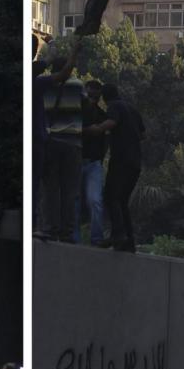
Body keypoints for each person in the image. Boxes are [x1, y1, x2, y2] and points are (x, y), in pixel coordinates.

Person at [82, 83, 146, 253]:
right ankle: (128, 241)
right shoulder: (132, 109)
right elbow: (143, 134)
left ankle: (117, 234)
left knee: (111, 196)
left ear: (104, 97)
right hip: (135, 161)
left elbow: (110, 123)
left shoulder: (114, 106)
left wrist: (91, 129)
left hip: (121, 160)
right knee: (122, 201)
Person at [33, 38, 82, 240]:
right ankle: (68, 231)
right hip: (73, 143)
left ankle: (49, 227)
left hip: (51, 141)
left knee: (50, 188)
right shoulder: (78, 86)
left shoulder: (44, 86)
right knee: (70, 190)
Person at [80, 79, 108, 246]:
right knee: (74, 200)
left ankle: (96, 238)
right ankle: (73, 236)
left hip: (93, 162)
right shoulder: (77, 112)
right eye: (90, 95)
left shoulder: (102, 115)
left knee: (95, 200)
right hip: (78, 159)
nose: (92, 99)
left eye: (95, 96)